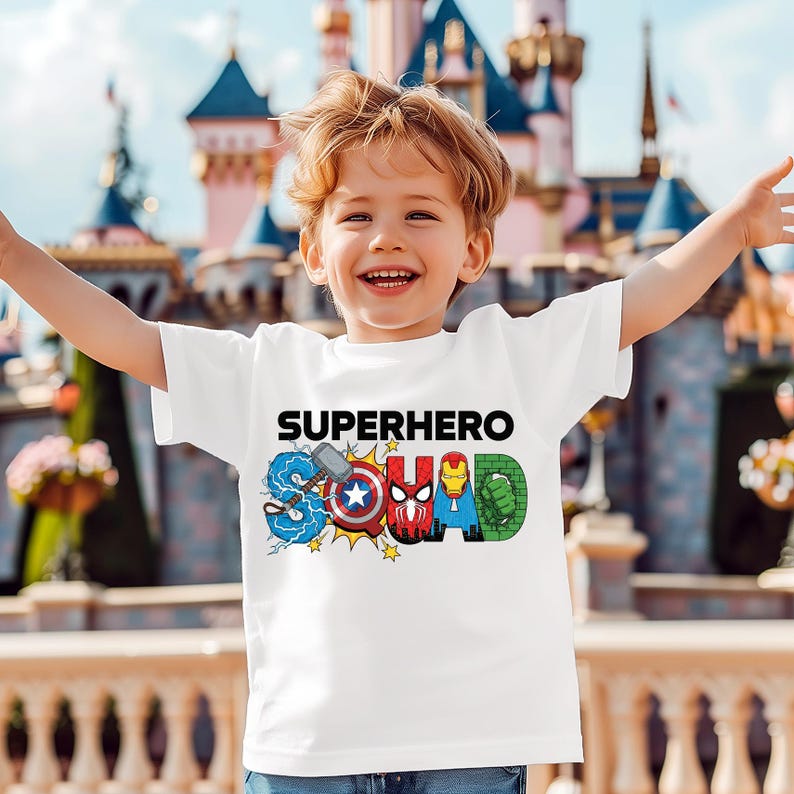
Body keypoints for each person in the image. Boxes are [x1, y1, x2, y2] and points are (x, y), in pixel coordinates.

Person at [1, 69, 793, 794]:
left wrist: (731, 227)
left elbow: (643, 299)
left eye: (420, 212)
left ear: (474, 249)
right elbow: (127, 339)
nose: (387, 236)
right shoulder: (270, 372)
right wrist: (11, 253)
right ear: (313, 252)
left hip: (470, 748)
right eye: (358, 215)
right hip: (307, 752)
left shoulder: (514, 360)